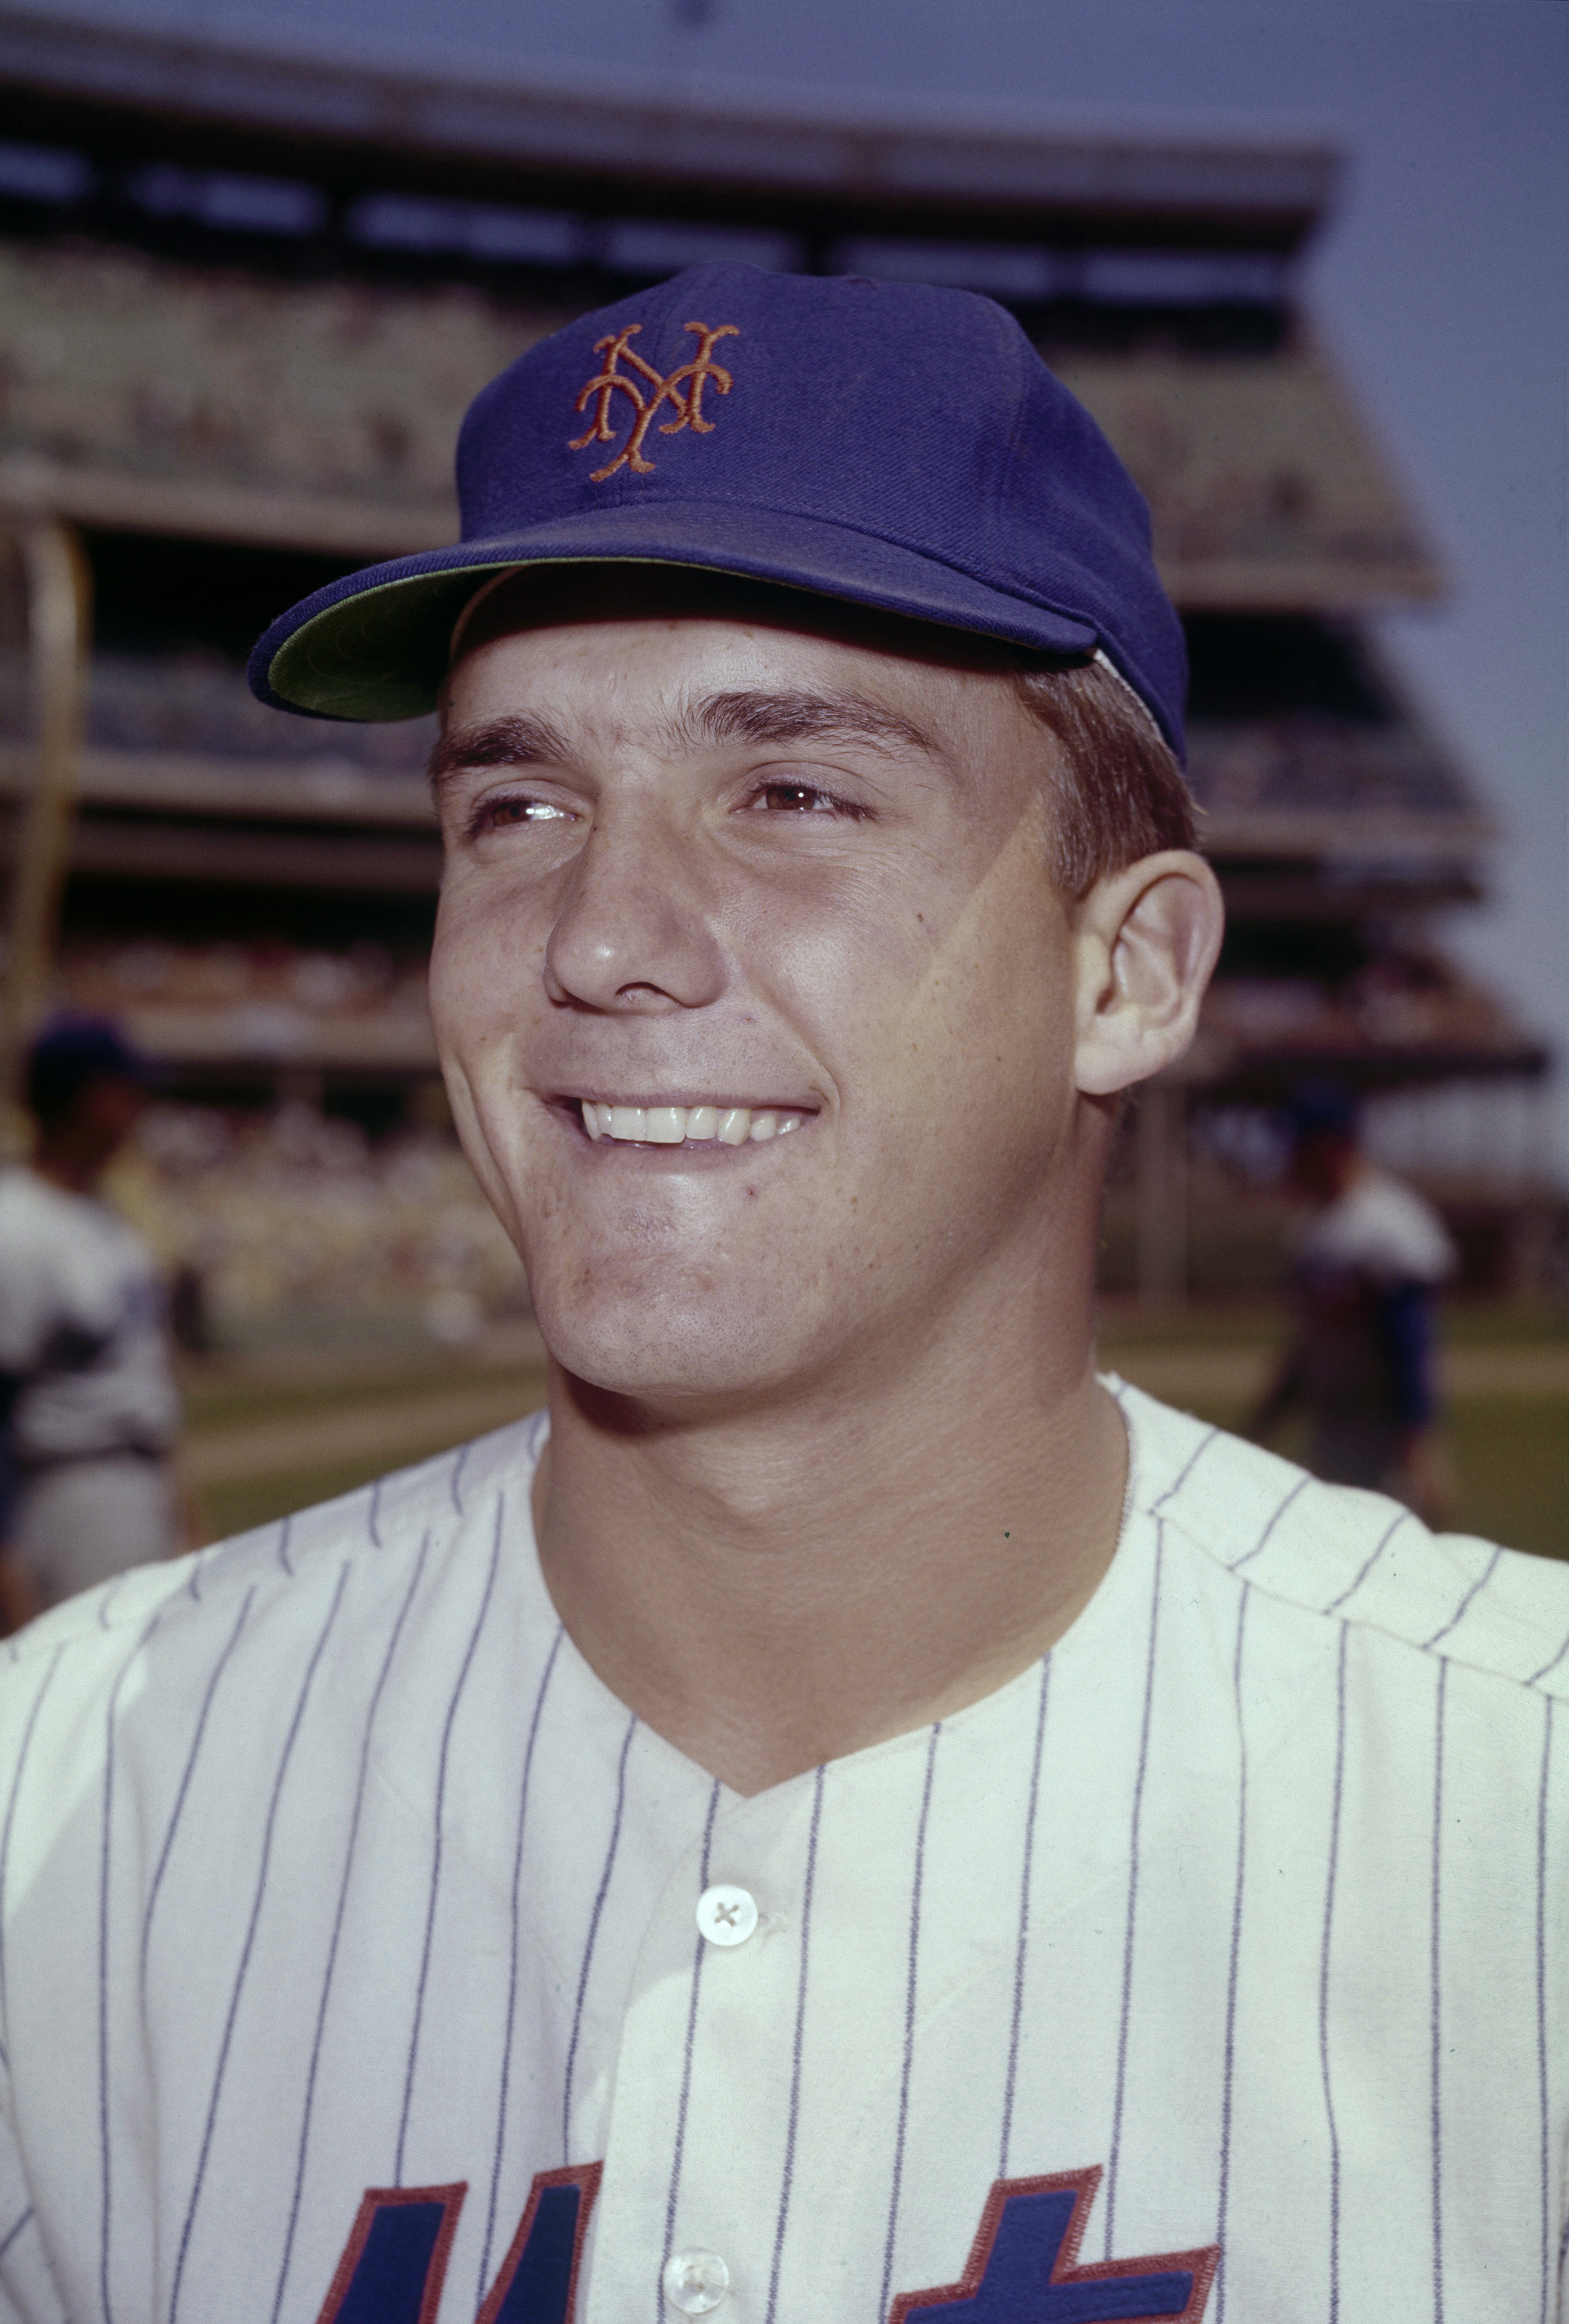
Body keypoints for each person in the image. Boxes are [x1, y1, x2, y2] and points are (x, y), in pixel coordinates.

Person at [0, 267, 1561, 2324]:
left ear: (1130, 973)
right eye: (517, 807)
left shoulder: (1519, 1803)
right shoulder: (56, 1796)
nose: (600, 940)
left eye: (796, 793)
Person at [0, 1017, 182, 1622]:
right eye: (126, 1092)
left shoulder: (104, 1213)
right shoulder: (17, 1225)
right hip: (69, 1493)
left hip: (136, 1479)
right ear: (90, 1100)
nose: (138, 1109)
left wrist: (182, 1510)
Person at [1249, 1081, 1459, 1524]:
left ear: (1330, 1148)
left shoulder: (1390, 1224)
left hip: (1383, 1442)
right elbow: (1309, 1348)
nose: (1288, 1161)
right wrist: (1265, 1423)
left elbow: (1409, 1343)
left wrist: (1418, 1447)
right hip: (1331, 1431)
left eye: (1299, 1148)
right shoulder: (1312, 1228)